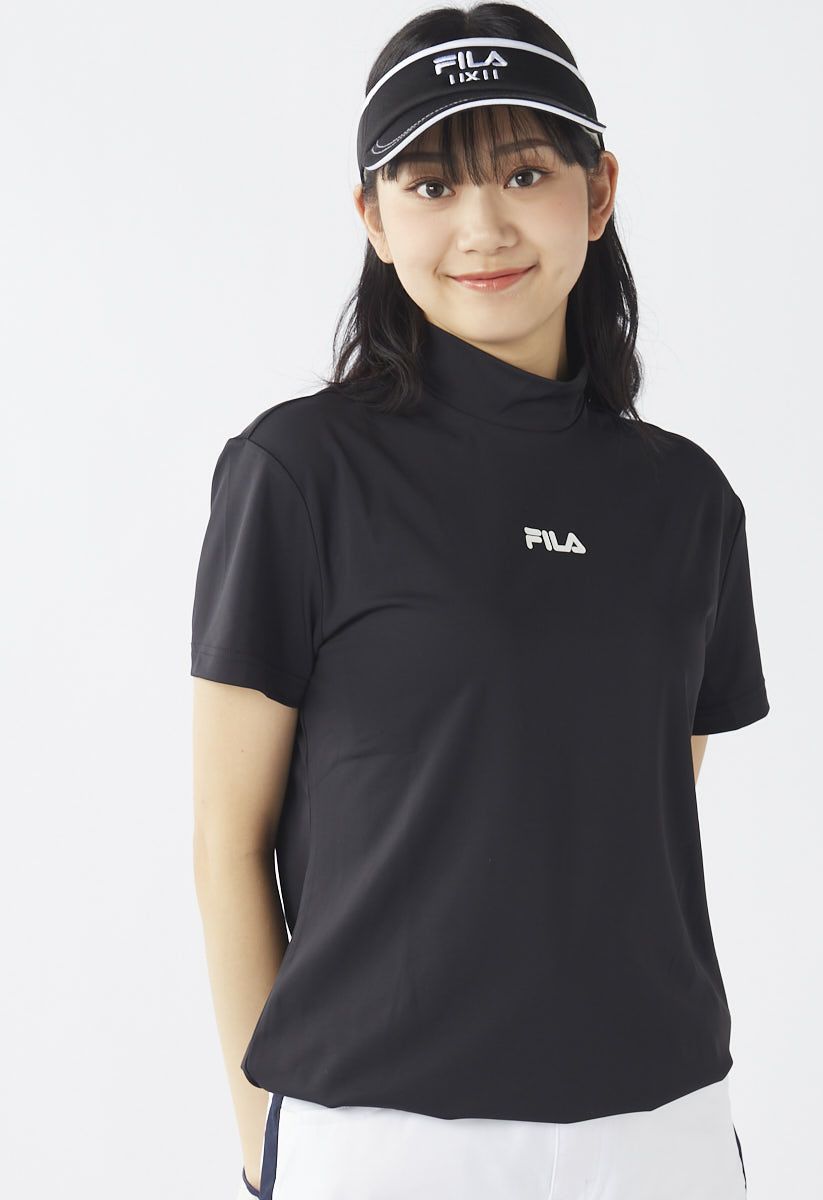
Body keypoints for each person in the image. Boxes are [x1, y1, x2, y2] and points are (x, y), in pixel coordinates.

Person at [191, 5, 769, 1198]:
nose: (483, 226)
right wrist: (266, 1138)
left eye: (524, 173)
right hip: (382, 1132)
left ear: (597, 192)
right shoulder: (300, 473)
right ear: (373, 217)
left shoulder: (684, 500)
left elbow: (637, 801)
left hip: (657, 1127)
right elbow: (225, 839)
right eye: (431, 185)